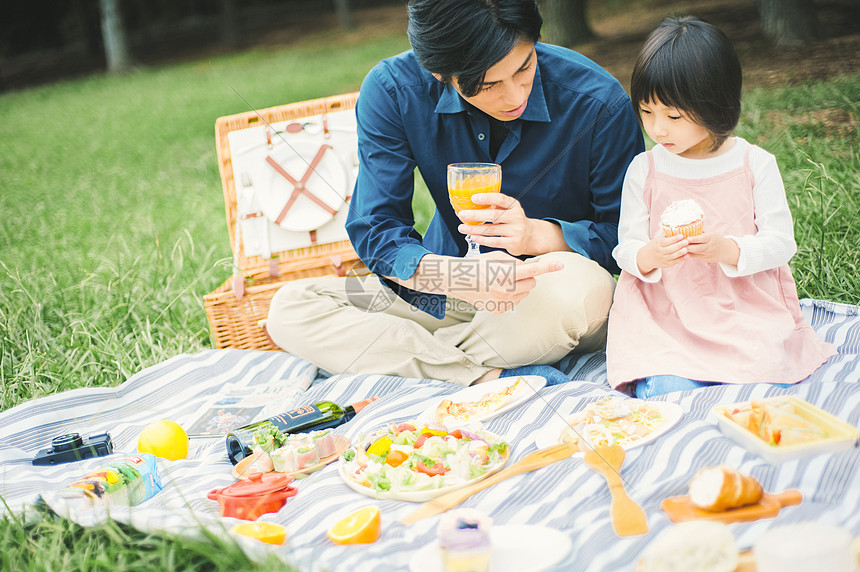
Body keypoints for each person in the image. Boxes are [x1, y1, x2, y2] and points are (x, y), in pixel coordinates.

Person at [266, 0, 644, 386]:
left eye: (525, 67)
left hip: (548, 291)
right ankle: (482, 375)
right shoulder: (394, 90)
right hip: (446, 288)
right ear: (438, 73)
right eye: (488, 84)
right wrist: (458, 277)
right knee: (291, 308)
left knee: (584, 291)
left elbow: (628, 239)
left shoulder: (597, 101)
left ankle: (405, 355)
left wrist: (535, 234)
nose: (514, 97)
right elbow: (377, 229)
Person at [606, 16, 835, 398]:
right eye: (647, 112)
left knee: (767, 379)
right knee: (666, 389)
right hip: (670, 315)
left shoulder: (753, 164)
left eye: (673, 116)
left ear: (715, 105)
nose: (657, 129)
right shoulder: (644, 169)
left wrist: (726, 249)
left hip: (741, 309)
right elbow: (624, 248)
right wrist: (650, 255)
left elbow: (782, 243)